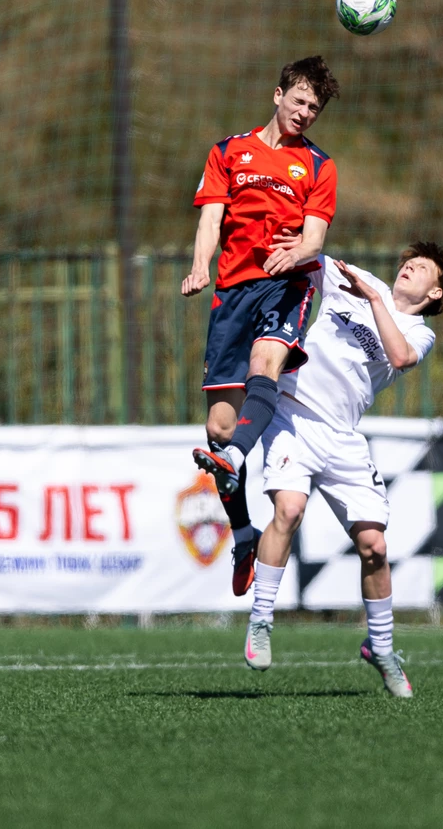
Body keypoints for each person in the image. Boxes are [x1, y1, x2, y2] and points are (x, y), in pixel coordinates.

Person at [243, 242, 443, 697]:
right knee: (288, 510)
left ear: (436, 292)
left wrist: (374, 299)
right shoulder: (357, 281)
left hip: (342, 437)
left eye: (421, 267)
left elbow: (399, 357)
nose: (408, 267)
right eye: (407, 261)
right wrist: (291, 240)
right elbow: (307, 258)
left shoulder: (419, 332)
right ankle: (261, 620)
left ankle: (381, 647)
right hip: (291, 415)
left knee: (374, 546)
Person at [181, 56, 341, 596]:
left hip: (286, 284)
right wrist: (200, 266)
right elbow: (211, 218)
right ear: (278, 95)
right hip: (233, 292)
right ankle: (244, 533)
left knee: (264, 364)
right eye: (299, 101)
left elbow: (315, 236)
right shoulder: (228, 151)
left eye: (314, 108)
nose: (305, 112)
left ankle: (233, 457)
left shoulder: (319, 166)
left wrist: (298, 252)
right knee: (220, 428)